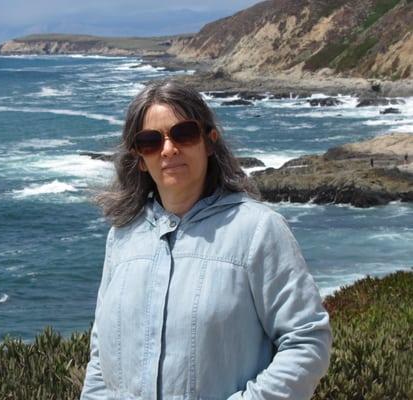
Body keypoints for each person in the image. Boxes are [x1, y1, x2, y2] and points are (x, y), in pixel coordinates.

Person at [81, 79, 332, 400]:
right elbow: (102, 355)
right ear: (140, 159)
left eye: (183, 134)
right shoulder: (123, 235)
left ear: (209, 141)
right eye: (150, 141)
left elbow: (307, 341)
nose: (169, 149)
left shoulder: (258, 229)